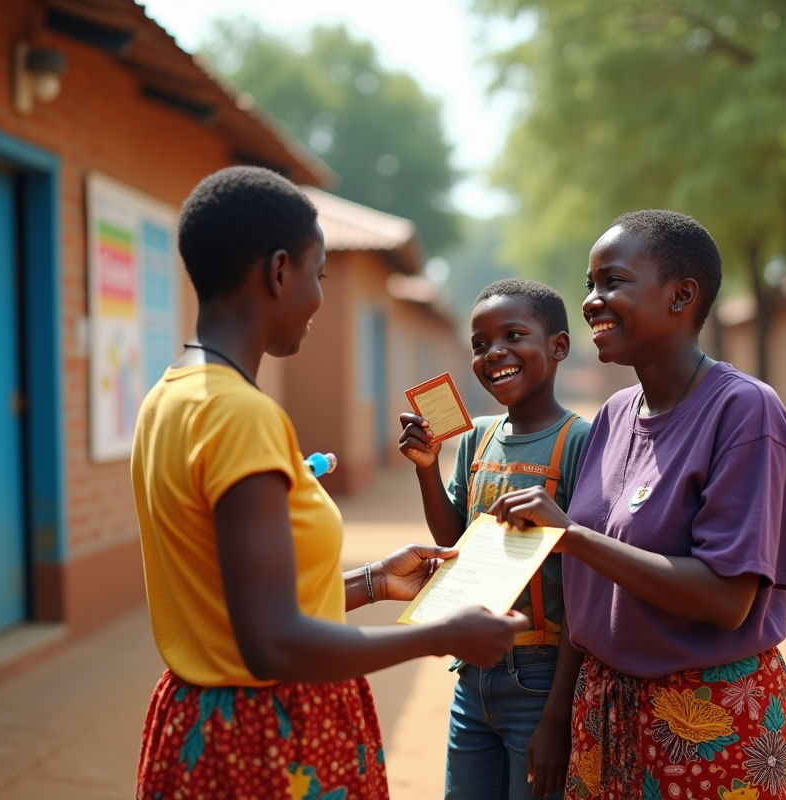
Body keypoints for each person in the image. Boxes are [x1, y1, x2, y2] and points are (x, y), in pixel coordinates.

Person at [130, 166, 527, 800]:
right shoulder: (240, 415)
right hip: (271, 742)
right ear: (279, 271)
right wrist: (443, 636)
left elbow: (239, 605)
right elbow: (272, 644)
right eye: (318, 275)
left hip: (203, 727)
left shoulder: (172, 396)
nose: (318, 298)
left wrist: (372, 583)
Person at [489, 211, 786, 799]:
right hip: (601, 709)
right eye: (589, 284)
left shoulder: (744, 413)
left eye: (611, 281)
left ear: (681, 296)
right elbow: (585, 585)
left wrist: (570, 534)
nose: (591, 301)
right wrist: (558, 715)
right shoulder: (616, 416)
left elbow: (724, 598)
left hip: (707, 717)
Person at [398, 278, 592, 800]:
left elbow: (582, 582)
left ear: (558, 346)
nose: (494, 353)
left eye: (513, 335)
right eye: (480, 344)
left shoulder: (580, 441)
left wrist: (557, 715)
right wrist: (425, 470)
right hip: (473, 675)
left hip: (541, 676)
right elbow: (456, 545)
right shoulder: (476, 437)